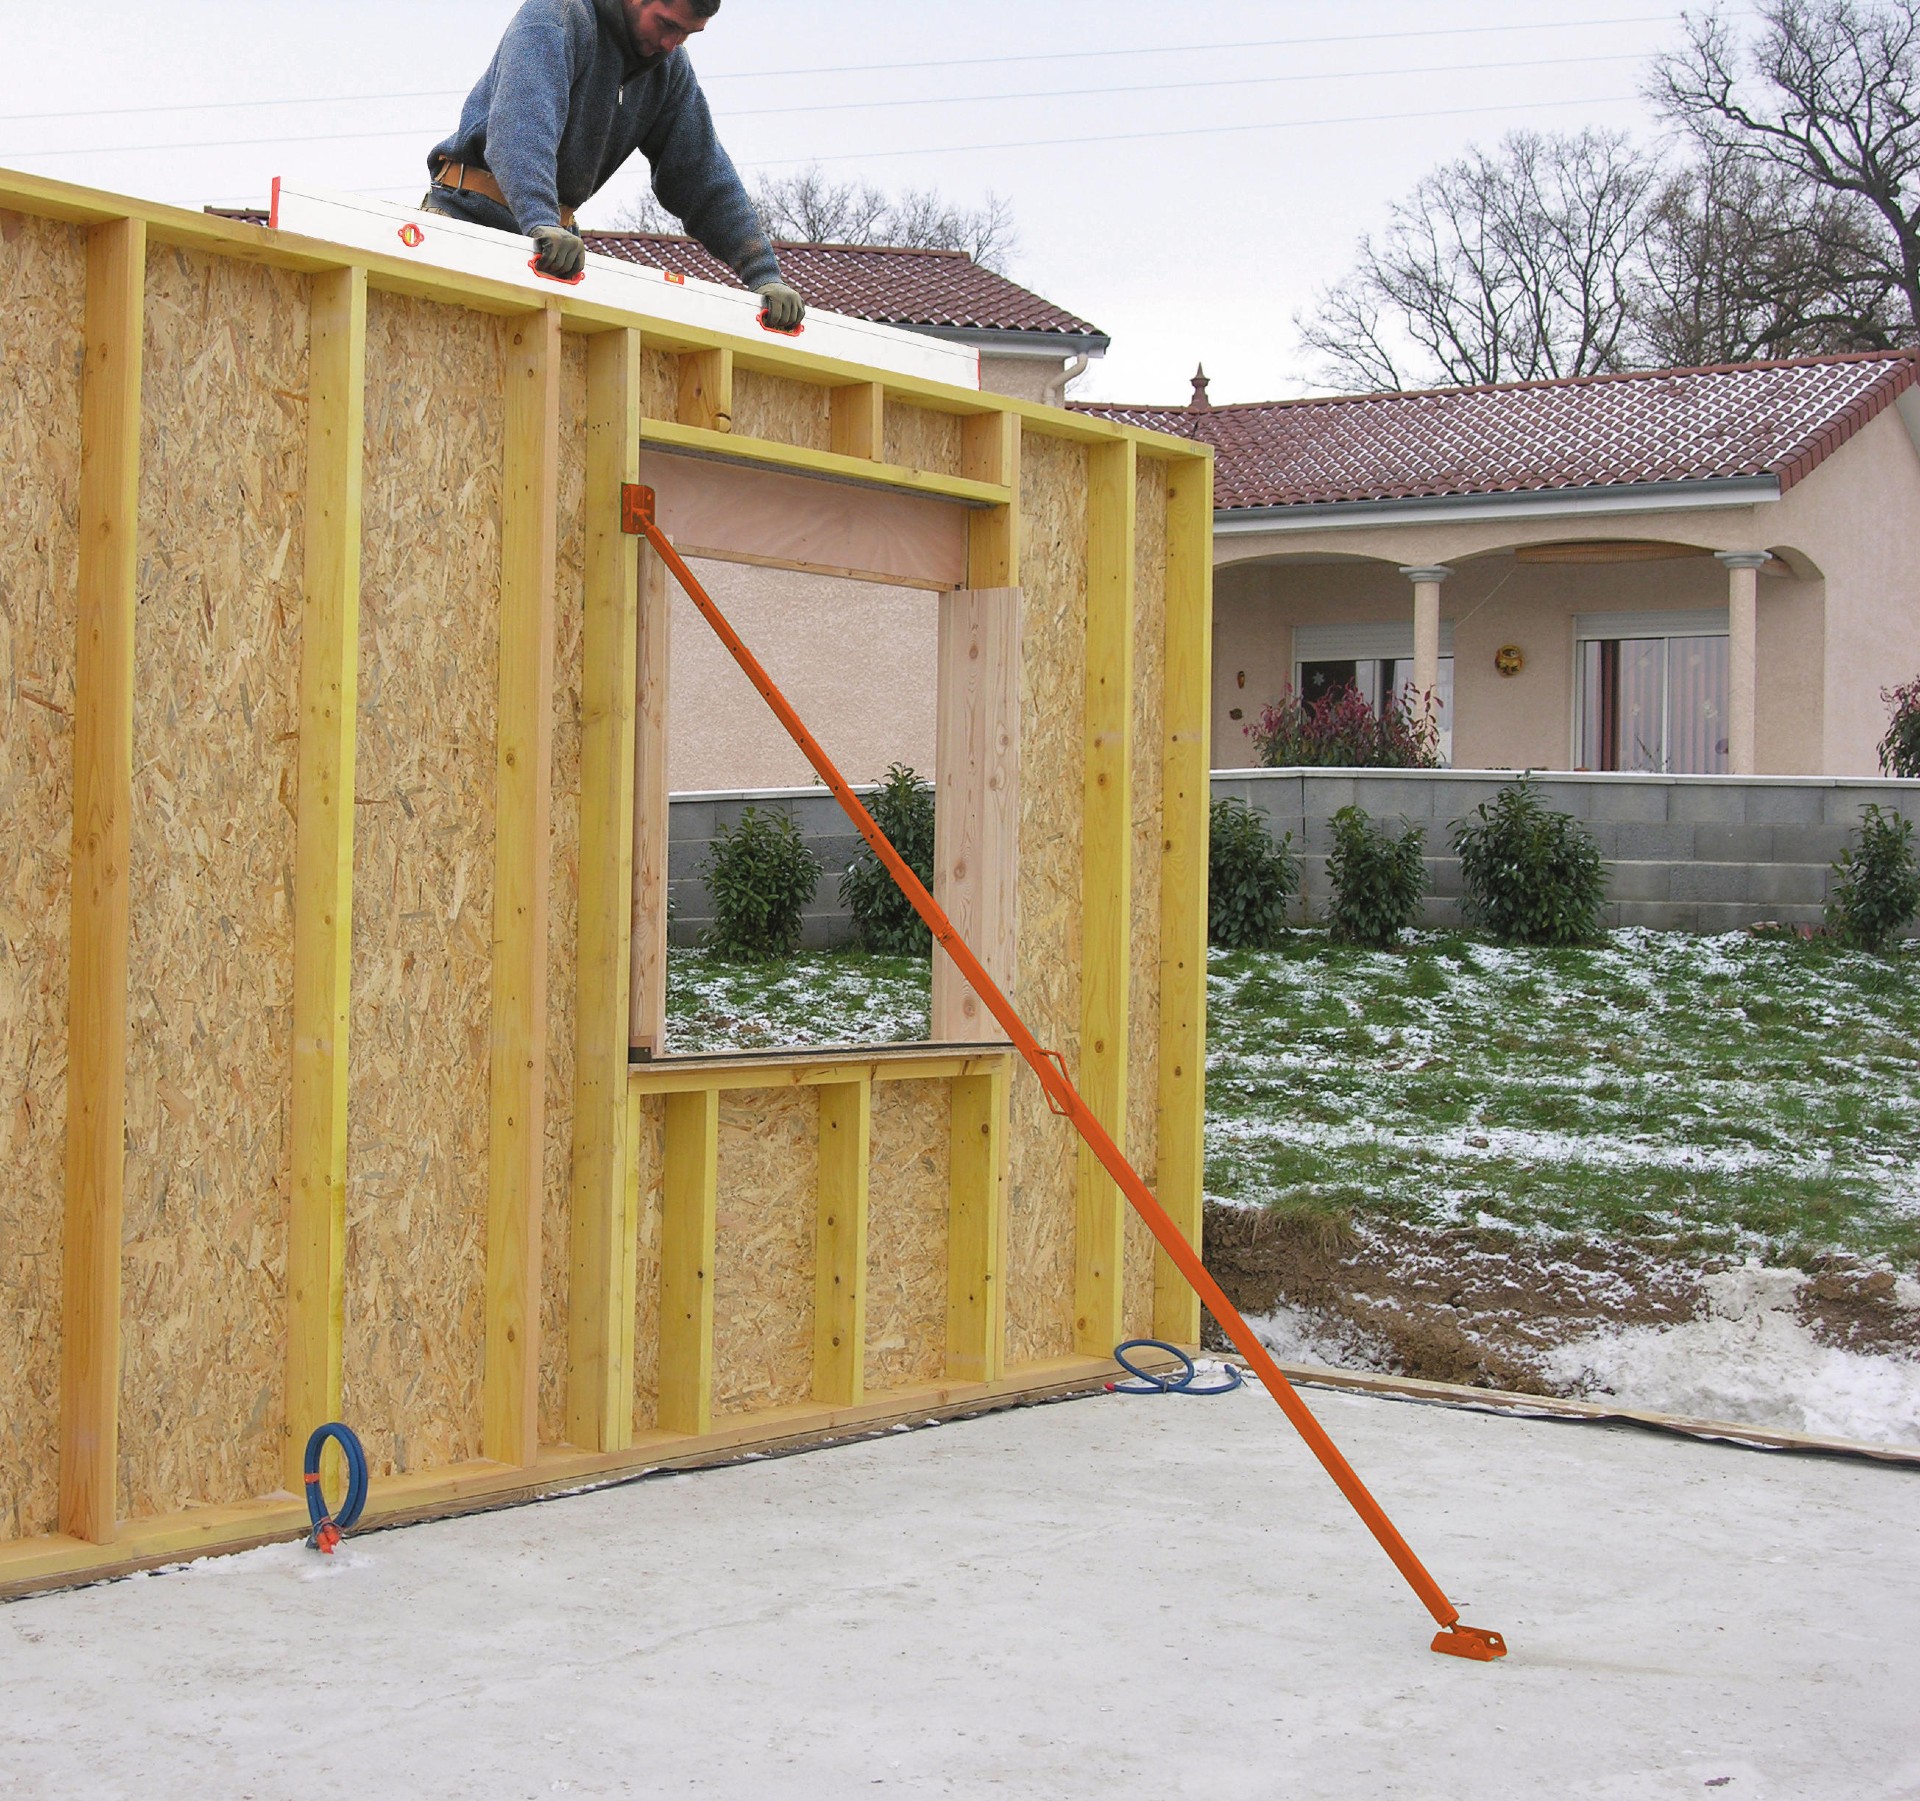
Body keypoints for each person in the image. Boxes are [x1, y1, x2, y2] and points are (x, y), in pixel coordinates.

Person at [424, 0, 805, 329]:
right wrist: (541, 220)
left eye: (688, 34)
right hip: (468, 221)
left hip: (550, 244)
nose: (671, 44)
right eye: (668, 25)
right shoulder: (557, 16)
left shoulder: (668, 70)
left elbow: (703, 177)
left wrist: (764, 275)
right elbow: (522, 126)